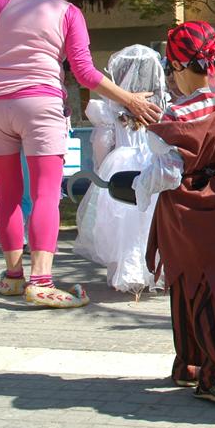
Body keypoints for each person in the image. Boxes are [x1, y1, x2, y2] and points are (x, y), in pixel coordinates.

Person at [0, 0, 161, 308]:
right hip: (40, 105)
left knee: (8, 194)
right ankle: (41, 282)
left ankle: (14, 277)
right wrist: (130, 99)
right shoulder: (68, 12)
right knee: (45, 195)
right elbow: (84, 73)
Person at [134, 21, 215, 402]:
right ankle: (214, 368)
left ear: (176, 67)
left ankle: (202, 367)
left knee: (183, 283)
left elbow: (166, 172)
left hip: (180, 210)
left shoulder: (173, 116)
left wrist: (138, 185)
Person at [73, 45, 168, 294]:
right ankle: (156, 271)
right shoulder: (163, 104)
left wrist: (102, 165)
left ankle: (126, 271)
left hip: (120, 165)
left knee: (122, 221)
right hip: (153, 163)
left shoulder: (110, 108)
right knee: (151, 219)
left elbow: (102, 142)